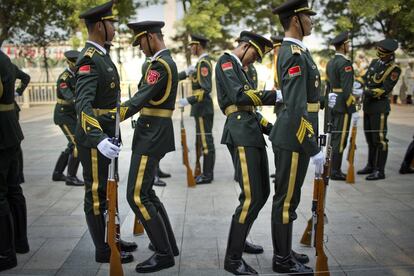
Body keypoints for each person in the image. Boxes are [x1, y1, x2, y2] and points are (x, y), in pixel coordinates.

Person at [98, 20, 179, 273]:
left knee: (136, 194)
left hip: (151, 135)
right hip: (153, 133)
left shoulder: (160, 65)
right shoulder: (165, 61)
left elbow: (140, 98)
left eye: (141, 42)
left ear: (151, 37)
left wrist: (110, 116)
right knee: (147, 192)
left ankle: (164, 253)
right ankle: (169, 246)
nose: (140, 48)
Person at [271, 0, 331, 273]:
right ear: (296, 19)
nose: (312, 20)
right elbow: (296, 108)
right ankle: (281, 260)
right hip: (294, 138)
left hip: (296, 135)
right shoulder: (294, 53)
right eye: (308, 16)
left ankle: (285, 251)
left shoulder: (297, 51)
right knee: (285, 200)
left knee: (290, 199)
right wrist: (311, 146)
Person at [75, 1, 136, 264]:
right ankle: (104, 249)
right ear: (100, 25)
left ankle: (113, 238)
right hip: (95, 139)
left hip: (108, 135)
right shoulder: (89, 58)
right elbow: (83, 104)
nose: (114, 28)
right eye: (112, 24)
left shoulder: (102, 55)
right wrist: (98, 138)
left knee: (110, 188)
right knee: (97, 191)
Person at [216, 30, 277, 275]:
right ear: (246, 45)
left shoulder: (240, 68)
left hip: (251, 131)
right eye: (254, 54)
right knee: (251, 196)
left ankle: (240, 240)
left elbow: (249, 108)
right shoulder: (227, 61)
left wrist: (270, 128)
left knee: (262, 192)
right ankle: (233, 258)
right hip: (240, 134)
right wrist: (276, 96)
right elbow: (240, 98)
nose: (253, 60)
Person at [0, 49, 30, 271]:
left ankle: (5, 254)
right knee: (13, 190)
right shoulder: (4, 58)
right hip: (10, 129)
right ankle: (20, 243)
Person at [357, 38, 401, 180]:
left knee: (380, 139)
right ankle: (370, 165)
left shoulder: (394, 69)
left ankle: (379, 170)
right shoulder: (375, 63)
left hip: (379, 107)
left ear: (389, 54)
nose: (379, 55)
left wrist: (364, 91)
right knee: (370, 138)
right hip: (368, 107)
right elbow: (366, 78)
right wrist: (357, 84)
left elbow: (384, 90)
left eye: (382, 53)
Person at [178, 34, 215, 184]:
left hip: (202, 108)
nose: (191, 48)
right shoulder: (201, 63)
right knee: (200, 141)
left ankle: (207, 174)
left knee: (206, 141)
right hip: (200, 109)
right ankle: (203, 172)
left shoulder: (203, 63)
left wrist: (189, 100)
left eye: (192, 45)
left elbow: (206, 89)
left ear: (198, 46)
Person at [325, 31, 359, 180]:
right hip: (343, 106)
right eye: (348, 44)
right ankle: (335, 171)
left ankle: (331, 168)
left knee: (334, 137)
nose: (349, 46)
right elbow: (346, 91)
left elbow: (329, 85)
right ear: (344, 46)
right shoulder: (345, 64)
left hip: (333, 102)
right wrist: (353, 108)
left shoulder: (331, 62)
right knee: (341, 138)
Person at [52, 50, 84, 186]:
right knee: (76, 144)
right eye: (75, 64)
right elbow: (69, 97)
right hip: (63, 114)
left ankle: (57, 174)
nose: (77, 67)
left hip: (71, 115)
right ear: (69, 63)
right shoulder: (64, 78)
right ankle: (71, 177)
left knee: (72, 144)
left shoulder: (76, 75)